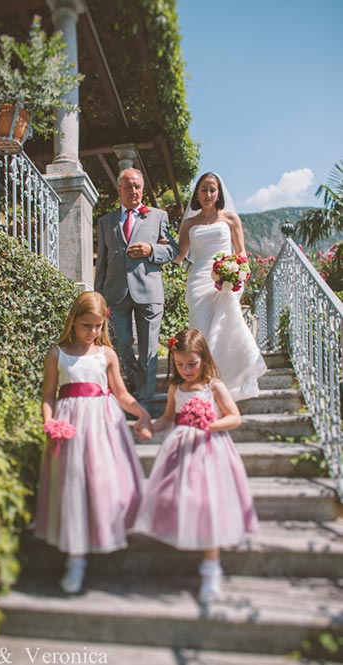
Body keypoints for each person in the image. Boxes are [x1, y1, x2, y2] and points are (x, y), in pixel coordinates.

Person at [35, 291, 151, 594]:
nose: (93, 332)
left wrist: (141, 412)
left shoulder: (106, 356)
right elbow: (48, 394)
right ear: (73, 321)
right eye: (87, 325)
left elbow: (121, 394)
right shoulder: (56, 354)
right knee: (73, 486)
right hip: (70, 427)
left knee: (101, 483)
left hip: (103, 428)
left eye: (99, 326)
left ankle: (106, 536)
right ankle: (75, 560)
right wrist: (49, 422)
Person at [133, 329, 258, 603]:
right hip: (180, 450)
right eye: (179, 364)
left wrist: (209, 424)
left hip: (210, 450)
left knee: (209, 503)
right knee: (183, 500)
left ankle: (211, 567)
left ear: (203, 358)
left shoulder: (214, 386)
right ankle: (184, 539)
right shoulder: (176, 388)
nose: (186, 370)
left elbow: (234, 417)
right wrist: (151, 429)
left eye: (192, 364)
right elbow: (169, 418)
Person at [176, 172, 266, 401]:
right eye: (203, 189)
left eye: (212, 189)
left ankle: (229, 381)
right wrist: (157, 248)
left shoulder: (231, 219)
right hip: (198, 282)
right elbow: (180, 256)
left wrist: (238, 273)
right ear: (197, 193)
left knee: (226, 328)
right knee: (202, 331)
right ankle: (204, 383)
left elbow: (241, 252)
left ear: (219, 193)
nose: (208, 194)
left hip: (226, 283)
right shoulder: (189, 224)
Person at [94, 167, 179, 402]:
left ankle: (146, 398)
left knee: (149, 349)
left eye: (138, 186)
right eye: (129, 186)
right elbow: (102, 260)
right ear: (119, 189)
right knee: (121, 345)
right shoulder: (105, 221)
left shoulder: (158, 216)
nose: (134, 190)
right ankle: (132, 386)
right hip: (115, 293)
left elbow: (173, 249)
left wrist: (152, 250)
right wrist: (97, 297)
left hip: (149, 292)